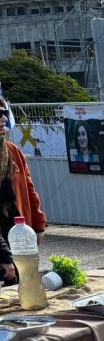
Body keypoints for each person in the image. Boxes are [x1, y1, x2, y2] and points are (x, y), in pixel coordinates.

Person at [0, 97, 46, 286]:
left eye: (4, 113)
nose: (4, 119)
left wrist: (38, 225)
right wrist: (3, 255)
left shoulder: (13, 151)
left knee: (21, 288)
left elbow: (29, 190)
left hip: (15, 231)